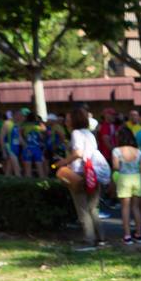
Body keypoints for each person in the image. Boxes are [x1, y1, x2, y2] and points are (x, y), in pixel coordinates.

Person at [55, 106, 110, 249]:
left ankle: (89, 239)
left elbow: (78, 153)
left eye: (67, 119)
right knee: (93, 208)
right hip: (93, 173)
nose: (65, 122)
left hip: (79, 173)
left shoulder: (76, 133)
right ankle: (101, 238)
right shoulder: (89, 134)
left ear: (74, 120)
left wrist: (63, 162)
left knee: (82, 208)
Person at [111, 126, 141, 244]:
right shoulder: (138, 151)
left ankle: (127, 236)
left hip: (124, 179)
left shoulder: (116, 151)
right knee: (136, 208)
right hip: (136, 179)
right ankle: (139, 234)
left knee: (125, 208)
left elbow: (116, 167)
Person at [19, 113, 48, 178]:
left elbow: (19, 134)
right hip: (37, 148)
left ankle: (29, 186)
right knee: (40, 170)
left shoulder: (24, 127)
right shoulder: (38, 127)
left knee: (28, 171)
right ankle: (43, 185)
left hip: (27, 148)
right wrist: (40, 122)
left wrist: (24, 143)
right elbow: (44, 132)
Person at [0, 109, 21, 177]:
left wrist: (25, 145)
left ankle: (5, 182)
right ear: (15, 116)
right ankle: (21, 184)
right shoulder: (7, 123)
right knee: (17, 168)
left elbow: (19, 137)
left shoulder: (17, 124)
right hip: (9, 148)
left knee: (9, 169)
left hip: (16, 148)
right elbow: (1, 138)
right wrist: (3, 151)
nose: (21, 117)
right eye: (20, 116)